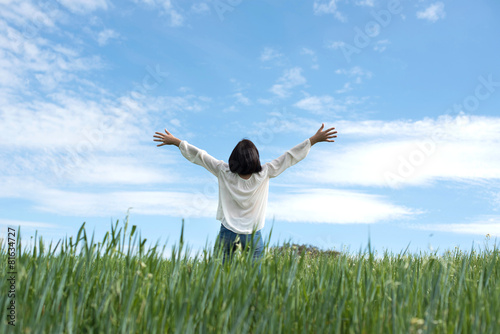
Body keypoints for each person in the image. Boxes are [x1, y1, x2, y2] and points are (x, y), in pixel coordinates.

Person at [153, 123, 337, 265]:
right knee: (254, 281)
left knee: (221, 275)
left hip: (228, 232)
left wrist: (176, 141)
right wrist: (313, 140)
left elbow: (199, 155)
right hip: (253, 234)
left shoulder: (223, 171)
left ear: (233, 158)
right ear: (255, 158)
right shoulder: (265, 173)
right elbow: (289, 157)